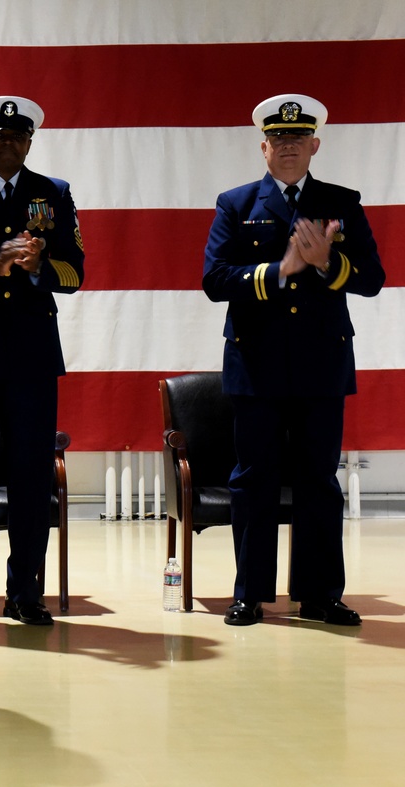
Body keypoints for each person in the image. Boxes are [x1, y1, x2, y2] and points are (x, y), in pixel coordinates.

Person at [203, 94, 384, 626]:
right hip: (255, 366)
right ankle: (249, 593)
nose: (288, 147)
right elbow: (214, 281)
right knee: (252, 480)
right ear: (263, 146)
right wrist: (279, 269)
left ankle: (321, 593)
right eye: (278, 139)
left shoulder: (341, 201)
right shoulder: (235, 203)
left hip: (320, 367)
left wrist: (328, 262)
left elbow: (372, 280)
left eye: (297, 139)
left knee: (318, 482)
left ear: (314, 145)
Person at [0, 96, 85, 628]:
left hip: (31, 359)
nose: (7, 144)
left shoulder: (53, 194)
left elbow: (76, 272)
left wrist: (36, 268)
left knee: (32, 478)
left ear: (30, 142)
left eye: (17, 136)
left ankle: (26, 590)